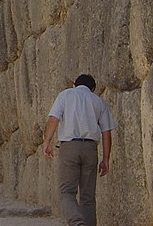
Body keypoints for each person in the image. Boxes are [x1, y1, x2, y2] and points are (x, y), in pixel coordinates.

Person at [43, 74, 116, 226]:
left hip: (69, 147)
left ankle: (77, 222)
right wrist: (106, 159)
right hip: (90, 148)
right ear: (93, 88)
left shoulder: (65, 95)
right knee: (88, 196)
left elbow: (53, 118)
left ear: (75, 84)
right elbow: (106, 133)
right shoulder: (98, 101)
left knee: (67, 191)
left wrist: (47, 141)